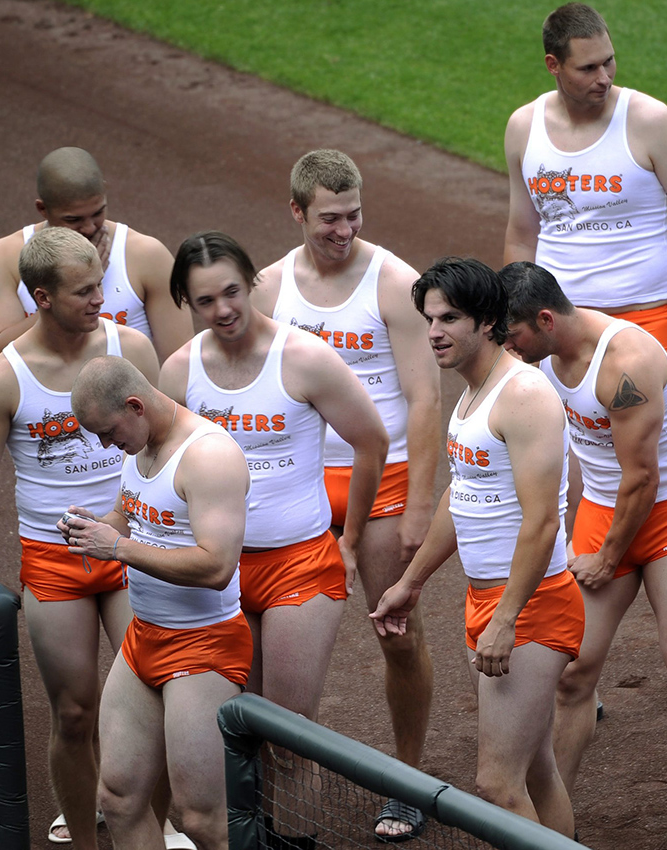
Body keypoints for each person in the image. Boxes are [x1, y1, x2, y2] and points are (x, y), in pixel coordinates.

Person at [161, 231, 389, 849]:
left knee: (288, 735)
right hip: (224, 572)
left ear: (252, 283)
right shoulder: (179, 371)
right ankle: (254, 839)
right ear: (188, 302)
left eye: (232, 292)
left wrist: (353, 538)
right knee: (243, 729)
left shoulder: (304, 357)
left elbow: (371, 440)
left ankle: (296, 842)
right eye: (205, 300)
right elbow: (161, 465)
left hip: (299, 568)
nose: (223, 310)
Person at [499, 261, 667, 850]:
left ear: (546, 319)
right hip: (606, 510)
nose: (508, 348)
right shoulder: (540, 361)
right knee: (573, 673)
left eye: (513, 335)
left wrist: (607, 557)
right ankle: (554, 819)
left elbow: (644, 477)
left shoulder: (624, 361)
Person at [0, 227, 162, 849]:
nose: (101, 298)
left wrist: (127, 525)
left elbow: (169, 444)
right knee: (73, 713)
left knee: (151, 699)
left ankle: (157, 828)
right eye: (84, 290)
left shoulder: (130, 350)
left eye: (100, 283)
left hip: (129, 550)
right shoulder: (3, 380)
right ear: (41, 296)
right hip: (54, 560)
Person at [252, 149, 440, 842]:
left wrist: (421, 502)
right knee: (274, 640)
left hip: (383, 482)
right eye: (329, 217)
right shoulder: (269, 288)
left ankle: (408, 778)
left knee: (396, 631)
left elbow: (424, 399)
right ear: (296, 210)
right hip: (298, 485)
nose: (345, 229)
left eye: (354, 214)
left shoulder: (393, 283)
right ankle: (281, 777)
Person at [372, 258, 584, 837]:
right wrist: (409, 582)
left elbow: (543, 522)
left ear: (488, 321)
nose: (435, 331)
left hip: (531, 606)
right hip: (488, 601)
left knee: (497, 783)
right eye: (430, 318)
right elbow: (460, 497)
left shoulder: (523, 396)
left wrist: (507, 618)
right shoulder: (473, 396)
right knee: (536, 771)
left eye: (451, 318)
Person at [61, 354, 251, 850]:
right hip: (144, 636)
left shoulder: (208, 456)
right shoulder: (139, 443)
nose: (105, 445)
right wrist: (94, 529)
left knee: (201, 818)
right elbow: (138, 513)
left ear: (134, 405)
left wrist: (116, 548)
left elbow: (216, 566)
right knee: (118, 799)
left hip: (203, 647)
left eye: (107, 432)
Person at [503, 3, 667, 414]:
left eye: (609, 62)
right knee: (560, 470)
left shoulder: (649, 122)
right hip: (556, 332)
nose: (603, 77)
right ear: (553, 64)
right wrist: (514, 330)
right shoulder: (523, 127)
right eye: (588, 68)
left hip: (645, 324)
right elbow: (521, 234)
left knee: (651, 467)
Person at [0, 146, 192, 363]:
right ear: (43, 209)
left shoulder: (147, 255)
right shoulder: (3, 257)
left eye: (98, 212)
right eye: (73, 220)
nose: (89, 228)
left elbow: (182, 365)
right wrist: (66, 292)